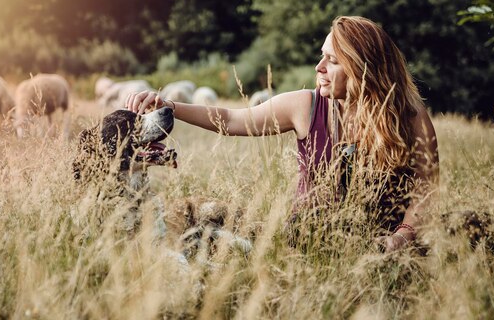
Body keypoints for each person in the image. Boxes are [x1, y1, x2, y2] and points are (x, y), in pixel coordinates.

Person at [125, 16, 439, 252]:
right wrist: (169, 105)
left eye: (332, 61)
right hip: (309, 240)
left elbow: (426, 185)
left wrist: (403, 235)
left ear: (362, 68)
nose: (319, 67)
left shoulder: (410, 117)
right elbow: (231, 119)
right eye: (321, 55)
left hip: (382, 248)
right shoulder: (305, 107)